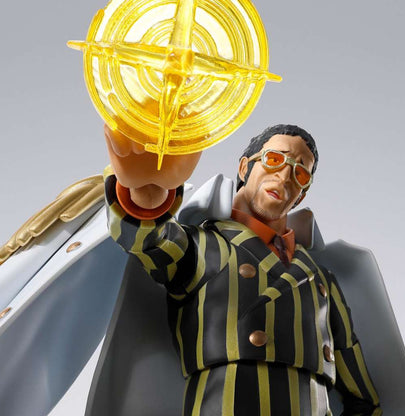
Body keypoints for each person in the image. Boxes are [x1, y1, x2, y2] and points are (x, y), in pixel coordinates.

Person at [103, 123, 381, 415]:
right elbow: (151, 241)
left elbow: (363, 399)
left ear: (301, 194)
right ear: (245, 167)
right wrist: (145, 192)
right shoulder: (205, 246)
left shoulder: (321, 279)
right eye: (274, 159)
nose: (285, 176)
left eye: (300, 173)